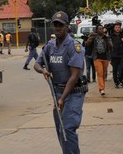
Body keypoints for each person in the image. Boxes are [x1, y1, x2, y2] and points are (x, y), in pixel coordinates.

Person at [34, 11, 87, 154]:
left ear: (67, 27)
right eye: (55, 25)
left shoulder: (74, 46)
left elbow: (74, 75)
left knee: (68, 128)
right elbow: (37, 64)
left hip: (73, 93)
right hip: (57, 92)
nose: (58, 28)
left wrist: (62, 98)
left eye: (61, 25)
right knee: (60, 129)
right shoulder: (50, 46)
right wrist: (43, 71)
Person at [109, 21, 123, 88]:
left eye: (119, 27)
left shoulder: (122, 35)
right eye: (116, 27)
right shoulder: (111, 36)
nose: (117, 28)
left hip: (121, 54)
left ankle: (120, 79)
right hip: (113, 54)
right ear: (114, 28)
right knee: (115, 69)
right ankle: (116, 82)